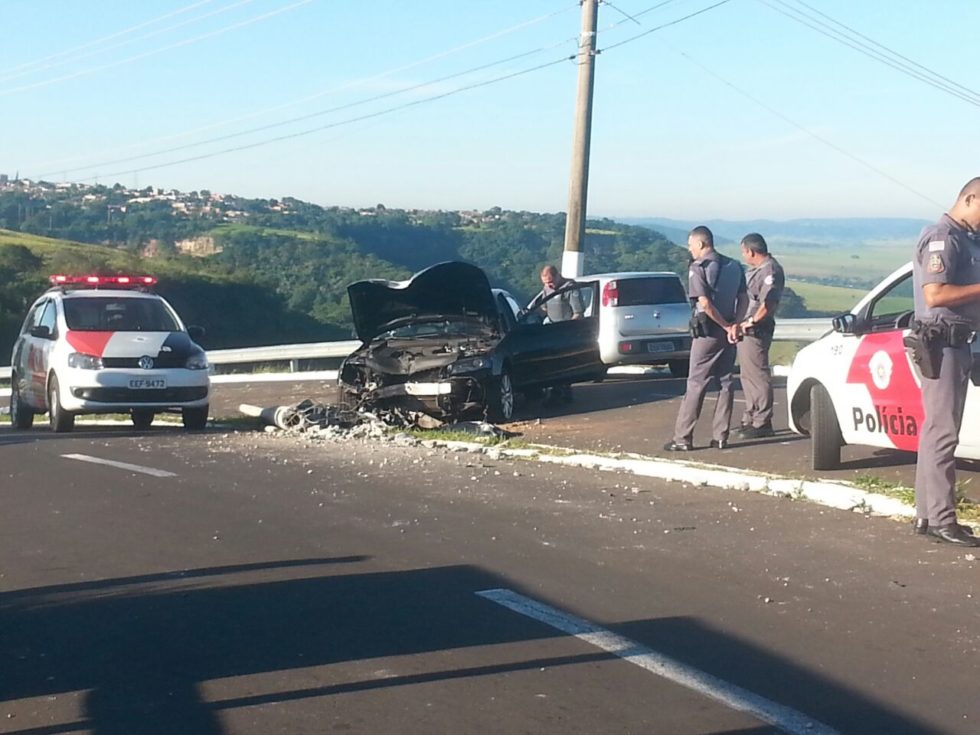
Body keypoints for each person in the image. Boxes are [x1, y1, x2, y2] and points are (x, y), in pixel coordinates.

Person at [909, 178, 980, 547]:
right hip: (942, 344)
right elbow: (936, 294)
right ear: (970, 198)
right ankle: (942, 520)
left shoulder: (968, 239)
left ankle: (926, 514)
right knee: (943, 433)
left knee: (936, 431)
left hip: (961, 343)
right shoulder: (942, 237)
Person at [664, 226, 747, 451]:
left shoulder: (698, 268)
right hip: (729, 332)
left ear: (701, 244)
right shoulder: (734, 266)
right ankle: (721, 436)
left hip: (708, 331)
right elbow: (744, 298)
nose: (690, 250)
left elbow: (705, 304)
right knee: (725, 382)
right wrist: (734, 325)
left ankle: (683, 438)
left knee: (696, 383)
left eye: (691, 245)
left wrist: (724, 324)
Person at [733, 233, 784, 439]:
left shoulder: (770, 270)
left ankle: (762, 421)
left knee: (758, 375)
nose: (744, 256)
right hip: (746, 330)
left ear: (750, 251)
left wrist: (751, 321)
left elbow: (768, 303)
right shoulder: (757, 270)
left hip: (755, 329)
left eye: (744, 252)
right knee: (748, 376)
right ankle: (751, 417)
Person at [524, 265, 584, 404]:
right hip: (551, 330)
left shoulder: (570, 288)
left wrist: (570, 330)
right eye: (545, 283)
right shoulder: (547, 289)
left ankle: (561, 393)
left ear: (558, 276)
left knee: (564, 364)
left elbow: (578, 313)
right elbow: (543, 307)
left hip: (566, 330)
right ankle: (557, 392)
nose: (549, 285)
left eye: (550, 282)